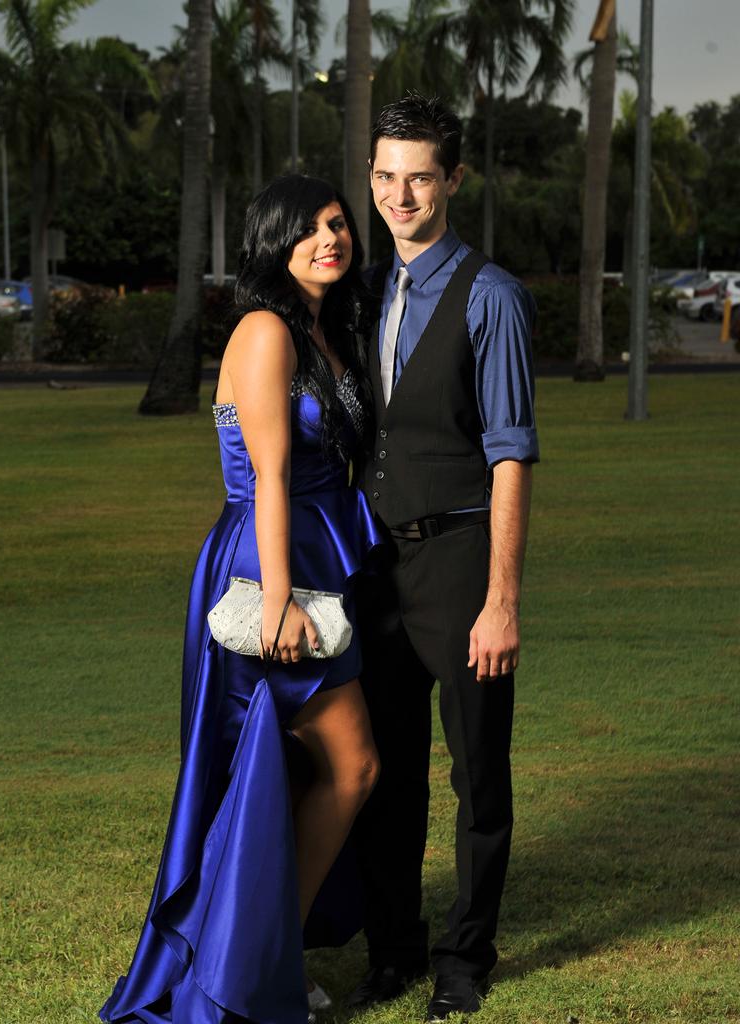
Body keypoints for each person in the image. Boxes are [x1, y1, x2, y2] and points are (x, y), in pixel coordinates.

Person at [99, 175, 383, 1024]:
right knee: (348, 762)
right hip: (268, 570)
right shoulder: (265, 330)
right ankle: (256, 966)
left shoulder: (326, 332)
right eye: (308, 230)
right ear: (271, 242)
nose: (329, 239)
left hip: (316, 561)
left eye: (337, 224)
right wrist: (278, 602)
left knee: (282, 775)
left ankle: (262, 958)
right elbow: (267, 477)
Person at [349, 95, 540, 1021]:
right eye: (385, 175)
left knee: (477, 775)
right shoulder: (366, 291)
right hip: (375, 570)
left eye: (419, 175)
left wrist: (501, 598)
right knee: (386, 767)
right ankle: (392, 951)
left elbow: (511, 451)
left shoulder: (491, 296)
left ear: (453, 179)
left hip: (461, 562)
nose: (399, 194)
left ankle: (463, 958)